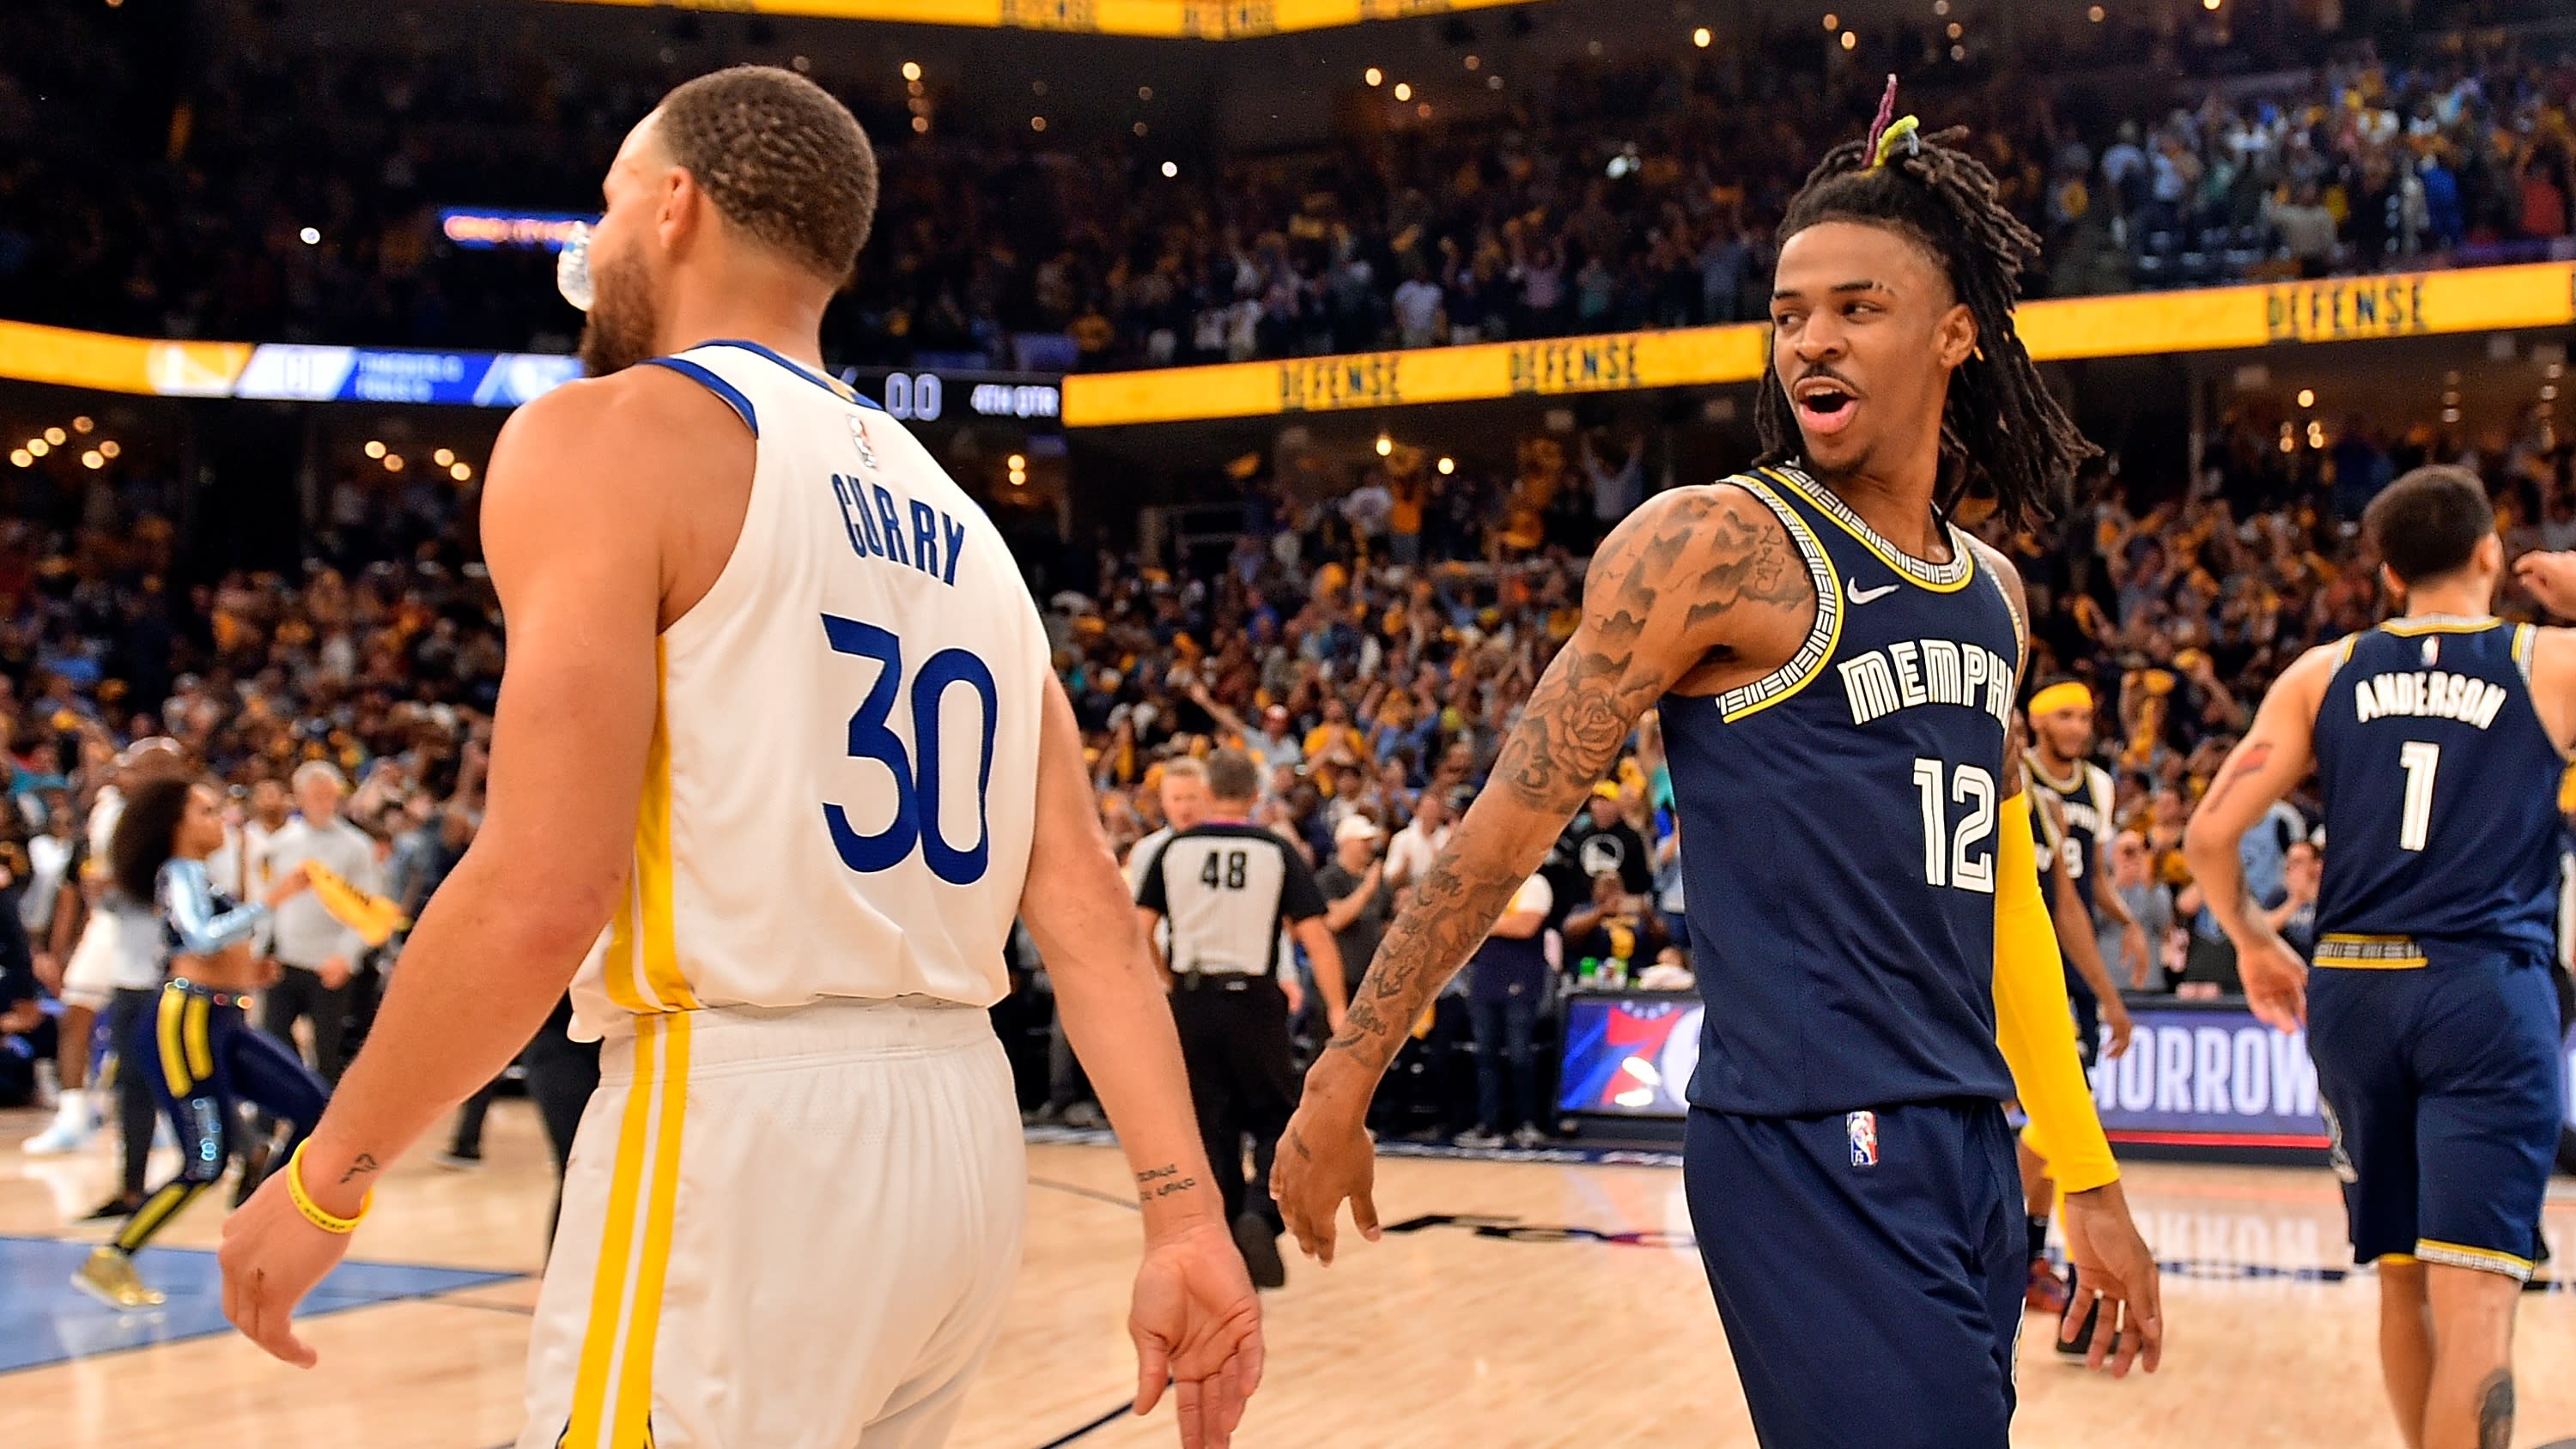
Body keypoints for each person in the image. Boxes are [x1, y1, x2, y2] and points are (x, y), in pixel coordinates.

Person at [217, 67, 1261, 1449]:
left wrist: (328, 1175)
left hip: (744, 1130)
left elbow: (543, 890)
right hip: (958, 1139)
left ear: (672, 202)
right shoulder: (971, 528)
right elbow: (1086, 917)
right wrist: (1184, 1215)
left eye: (602, 206)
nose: (590, 248)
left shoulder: (606, 435)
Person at [1275, 96, 2162, 1448]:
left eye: (1858, 306)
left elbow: (2006, 903)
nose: (1812, 336)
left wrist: (2083, 1171)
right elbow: (1502, 832)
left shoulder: (1996, 596)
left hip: (1972, 1146)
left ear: (1955, 335)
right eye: (1791, 310)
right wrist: (1344, 1080)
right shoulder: (1714, 547)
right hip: (1809, 1140)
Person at [2187, 465, 2573, 1449]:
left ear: (2387, 569)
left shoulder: (2322, 671)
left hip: (2354, 988)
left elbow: (2207, 835)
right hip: (2482, 988)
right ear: (2491, 551)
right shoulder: (2549, 661)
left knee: (2402, 1275)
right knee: (2479, 1298)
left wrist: (2255, 943)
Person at [75, 776, 319, 1309]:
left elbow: (210, 946)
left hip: (223, 1017)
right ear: (176, 825)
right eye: (206, 811)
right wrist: (274, 899)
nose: (220, 819)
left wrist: (249, 973)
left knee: (314, 1106)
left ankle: (258, 1228)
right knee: (205, 1158)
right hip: (187, 1022)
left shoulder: (198, 875)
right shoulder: (179, 871)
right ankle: (112, 1257)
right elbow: (200, 937)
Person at [1135, 748, 1350, 1291]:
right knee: (1279, 1120)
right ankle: (1260, 1214)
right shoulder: (1275, 851)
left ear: (1207, 793)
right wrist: (1339, 1008)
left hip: (1192, 1000)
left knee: (1212, 1129)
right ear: (1256, 796)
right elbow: (1317, 938)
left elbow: (1138, 935)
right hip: (1255, 999)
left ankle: (1228, 1244)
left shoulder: (1174, 850)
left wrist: (1166, 979)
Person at [2026, 680, 2152, 1028]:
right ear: (2037, 720)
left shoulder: (2098, 784)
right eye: (2065, 716)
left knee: (2082, 1071)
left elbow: (2095, 876)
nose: (2078, 728)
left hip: (2075, 946)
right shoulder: (2018, 776)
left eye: (2084, 718)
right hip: (2024, 939)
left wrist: (2129, 921)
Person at [253, 761, 383, 1084]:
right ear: (300, 797)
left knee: (328, 1050)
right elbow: (270, 901)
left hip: (330, 961)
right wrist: (262, 950)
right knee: (273, 1040)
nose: (323, 802)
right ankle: (275, 1115)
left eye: (329, 795)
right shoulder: (281, 843)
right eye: (315, 795)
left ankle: (323, 1119)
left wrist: (347, 955)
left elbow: (368, 908)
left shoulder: (357, 847)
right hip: (286, 959)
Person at [1455, 870, 1556, 1149]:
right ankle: (1490, 1125)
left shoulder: (1535, 883)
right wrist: (1492, 923)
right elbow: (1464, 923)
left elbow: (1526, 926)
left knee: (1520, 1054)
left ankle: (1528, 1123)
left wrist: (1484, 922)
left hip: (1521, 977)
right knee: (1485, 1054)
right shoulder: (1488, 884)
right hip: (1485, 978)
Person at [1315, 815, 1390, 997]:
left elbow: (1386, 923)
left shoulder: (1380, 881)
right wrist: (1366, 890)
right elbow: (1334, 921)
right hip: (1340, 979)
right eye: (1364, 841)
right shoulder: (1328, 879)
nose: (1370, 847)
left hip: (1372, 979)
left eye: (1371, 841)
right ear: (1345, 843)